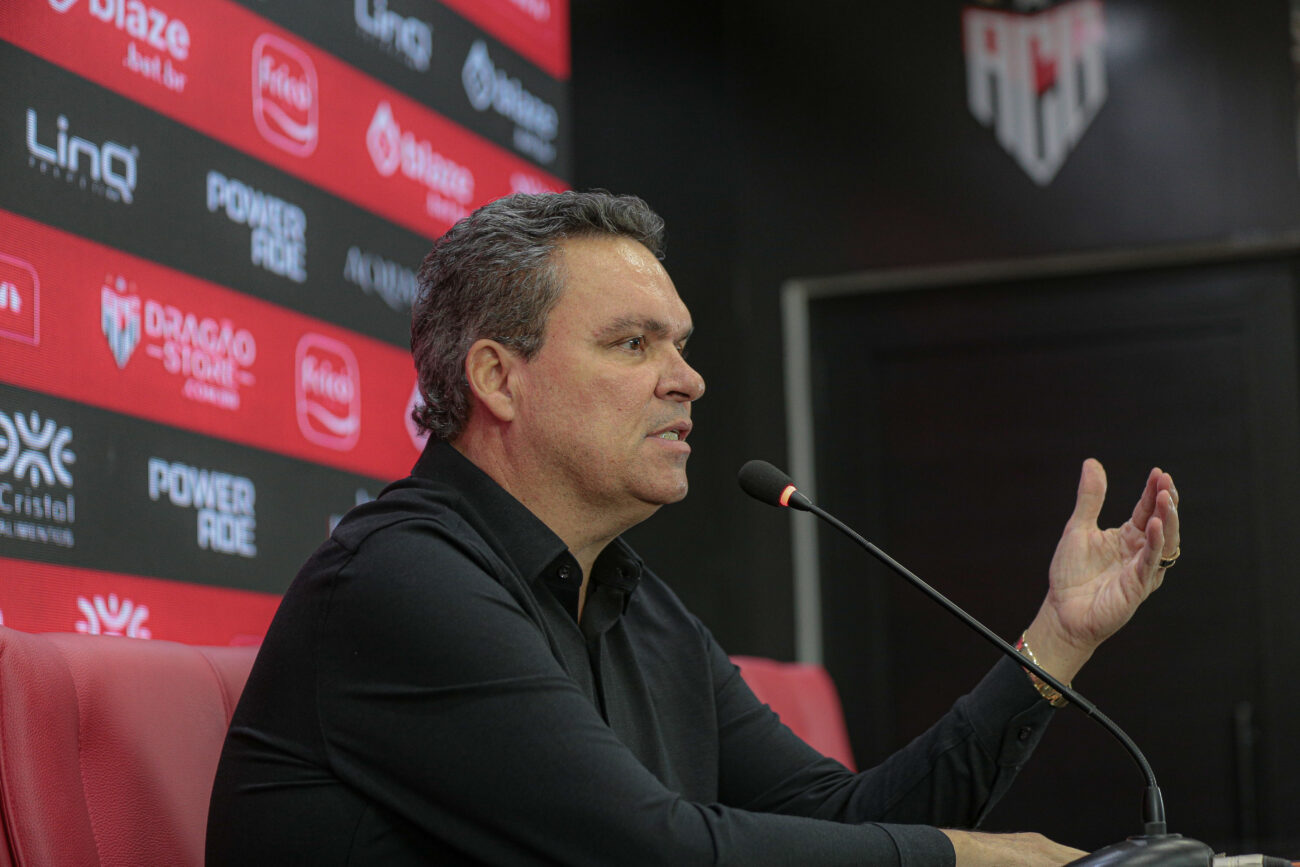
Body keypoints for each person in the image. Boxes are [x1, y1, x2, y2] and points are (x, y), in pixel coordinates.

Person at [206, 191, 1181, 866]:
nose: (688, 379)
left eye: (680, 344)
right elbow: (645, 853)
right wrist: (965, 858)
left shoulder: (636, 604)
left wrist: (1056, 640)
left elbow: (845, 819)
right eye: (633, 344)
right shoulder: (397, 582)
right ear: (498, 377)